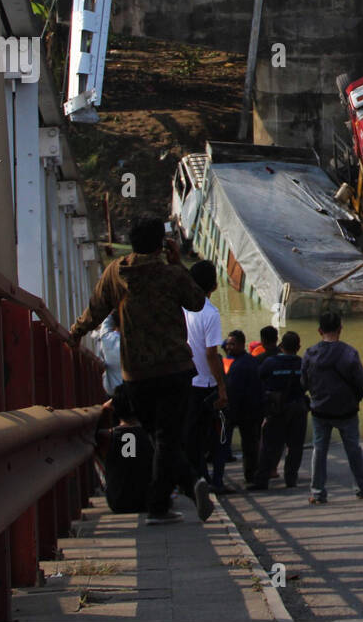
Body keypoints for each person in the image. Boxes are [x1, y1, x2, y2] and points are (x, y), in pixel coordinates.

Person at [68, 215, 214, 525]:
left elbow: (95, 310)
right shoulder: (170, 274)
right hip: (175, 368)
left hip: (137, 374)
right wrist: (177, 264)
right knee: (167, 438)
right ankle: (185, 487)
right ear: (162, 243)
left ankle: (165, 503)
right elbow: (198, 303)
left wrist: (74, 333)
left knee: (157, 437)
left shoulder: (117, 272)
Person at [300, 312, 363, 503]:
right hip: (346, 410)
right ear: (340, 328)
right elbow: (362, 380)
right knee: (353, 450)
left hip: (319, 410)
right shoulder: (349, 353)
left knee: (319, 450)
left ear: (319, 330)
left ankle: (317, 492)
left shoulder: (310, 353)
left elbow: (303, 383)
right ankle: (362, 488)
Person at [183, 260, 231, 494]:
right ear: (214, 285)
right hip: (206, 384)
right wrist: (222, 387)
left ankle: (197, 479)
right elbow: (212, 353)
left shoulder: (182, 309)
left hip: (186, 383)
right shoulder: (210, 313)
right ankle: (215, 481)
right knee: (217, 433)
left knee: (192, 436)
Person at [249, 331, 308, 491]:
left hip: (276, 409)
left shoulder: (270, 363)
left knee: (270, 445)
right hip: (298, 408)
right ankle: (291, 479)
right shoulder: (302, 363)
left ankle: (262, 480)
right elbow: (307, 384)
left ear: (281, 346)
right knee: (295, 446)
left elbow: (259, 379)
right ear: (298, 347)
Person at [223, 330, 263, 485]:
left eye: (232, 344)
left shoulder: (242, 364)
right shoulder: (249, 361)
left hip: (244, 410)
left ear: (241, 344)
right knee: (249, 444)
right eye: (228, 344)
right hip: (246, 409)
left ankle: (250, 474)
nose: (228, 347)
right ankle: (251, 474)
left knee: (248, 445)